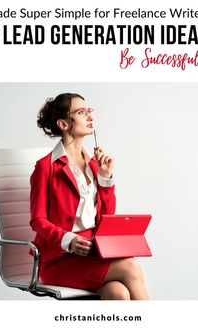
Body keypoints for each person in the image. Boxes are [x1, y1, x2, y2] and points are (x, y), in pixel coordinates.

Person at [30, 93, 149, 300]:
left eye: (89, 111)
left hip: (92, 253)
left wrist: (105, 177)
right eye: (81, 112)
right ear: (64, 124)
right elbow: (37, 220)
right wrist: (69, 239)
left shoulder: (95, 164)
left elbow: (106, 216)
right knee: (131, 267)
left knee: (118, 293)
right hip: (58, 260)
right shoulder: (45, 167)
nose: (90, 117)